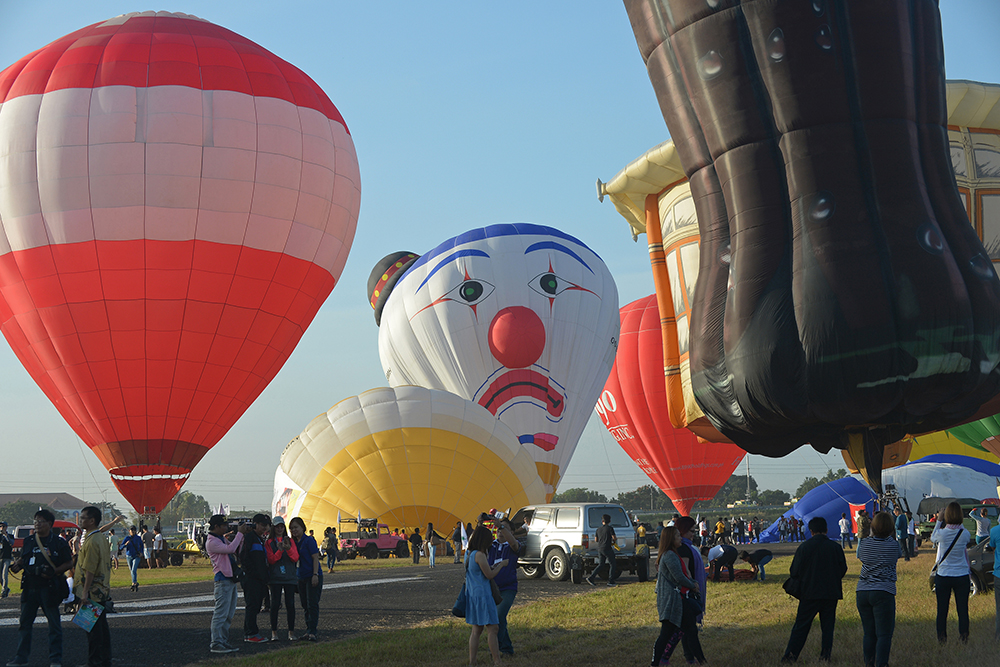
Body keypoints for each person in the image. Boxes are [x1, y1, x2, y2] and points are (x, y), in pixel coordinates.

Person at [6, 509, 73, 667]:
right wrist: (18, 565)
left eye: (40, 521)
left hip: (49, 588)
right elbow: (25, 558)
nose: (36, 523)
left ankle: (55, 659)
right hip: (29, 588)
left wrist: (54, 571)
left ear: (49, 524)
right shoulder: (29, 540)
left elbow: (69, 563)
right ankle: (21, 657)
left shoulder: (58, 542)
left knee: (54, 625)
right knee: (24, 624)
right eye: (35, 520)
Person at [780, 516, 848, 663]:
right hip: (831, 593)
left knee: (801, 627)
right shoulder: (835, 547)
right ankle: (825, 656)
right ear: (826, 530)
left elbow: (794, 572)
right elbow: (843, 569)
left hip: (809, 593)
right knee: (828, 628)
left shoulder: (804, 547)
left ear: (811, 531)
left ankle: (790, 656)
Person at [855, 511, 900, 667]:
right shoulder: (893, 545)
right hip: (883, 590)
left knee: (869, 633)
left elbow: (861, 556)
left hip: (862, 590)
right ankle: (881, 664)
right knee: (884, 634)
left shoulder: (865, 543)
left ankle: (869, 663)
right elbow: (897, 556)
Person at [651, 526, 700, 667]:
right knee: (666, 633)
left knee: (678, 629)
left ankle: (665, 660)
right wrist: (693, 585)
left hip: (674, 599)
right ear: (671, 539)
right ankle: (657, 662)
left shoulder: (671, 554)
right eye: (678, 536)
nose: (681, 538)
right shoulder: (670, 555)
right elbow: (679, 577)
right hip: (671, 600)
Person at [464, 524, 508, 667]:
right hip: (483, 595)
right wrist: (501, 565)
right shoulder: (480, 555)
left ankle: (473, 661)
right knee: (493, 629)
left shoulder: (469, 554)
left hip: (473, 595)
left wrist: (491, 567)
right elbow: (489, 575)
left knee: (476, 630)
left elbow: (480, 572)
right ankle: (497, 661)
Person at [75, 505, 113, 667]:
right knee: (102, 629)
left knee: (92, 630)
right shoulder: (101, 538)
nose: (81, 520)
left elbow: (90, 569)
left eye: (83, 518)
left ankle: (94, 661)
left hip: (92, 591)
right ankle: (104, 659)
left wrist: (84, 594)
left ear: (92, 521)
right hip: (102, 589)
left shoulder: (91, 541)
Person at [930, 501, 971, 643]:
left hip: (944, 574)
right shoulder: (965, 533)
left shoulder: (942, 534)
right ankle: (963, 637)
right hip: (962, 574)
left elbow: (932, 537)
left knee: (942, 610)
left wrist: (939, 520)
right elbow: (962, 533)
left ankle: (942, 638)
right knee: (963, 609)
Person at [206, 514, 247, 653]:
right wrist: (240, 533)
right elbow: (230, 549)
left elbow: (234, 549)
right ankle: (216, 642)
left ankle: (222, 641)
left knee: (228, 613)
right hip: (222, 580)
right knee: (221, 613)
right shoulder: (212, 542)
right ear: (216, 526)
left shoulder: (220, 539)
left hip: (229, 579)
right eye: (224, 525)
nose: (226, 527)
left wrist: (240, 538)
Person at [488, 517, 523, 658]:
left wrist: (501, 526)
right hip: (491, 587)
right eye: (498, 528)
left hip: (508, 588)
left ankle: (497, 648)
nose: (500, 531)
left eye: (504, 529)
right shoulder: (491, 545)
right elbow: (474, 544)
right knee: (498, 619)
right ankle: (506, 648)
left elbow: (514, 545)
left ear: (512, 532)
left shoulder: (514, 545)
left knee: (498, 615)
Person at [675, 517, 707, 665]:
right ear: (682, 531)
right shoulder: (683, 548)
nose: (693, 534)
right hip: (686, 593)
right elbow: (685, 572)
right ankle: (700, 660)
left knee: (685, 629)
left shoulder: (687, 547)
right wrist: (693, 585)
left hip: (687, 591)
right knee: (689, 630)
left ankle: (690, 658)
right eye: (691, 531)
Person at [265, 516, 299, 642]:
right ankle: (274, 632)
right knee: (275, 605)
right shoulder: (269, 543)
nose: (279, 529)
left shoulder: (290, 541)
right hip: (275, 578)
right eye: (277, 526)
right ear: (273, 528)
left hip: (289, 577)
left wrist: (288, 548)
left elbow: (295, 558)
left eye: (281, 526)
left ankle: (291, 632)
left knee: (290, 605)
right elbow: (271, 560)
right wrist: (279, 551)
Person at [240, 514, 271, 643]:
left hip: (258, 579)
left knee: (255, 606)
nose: (264, 528)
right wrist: (253, 574)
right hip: (252, 579)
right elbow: (244, 558)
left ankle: (250, 632)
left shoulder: (259, 538)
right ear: (256, 524)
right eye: (262, 525)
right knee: (252, 606)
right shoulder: (250, 538)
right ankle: (251, 633)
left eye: (266, 526)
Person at [290, 516, 321, 641]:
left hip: (311, 575)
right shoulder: (293, 543)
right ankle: (308, 630)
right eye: (292, 528)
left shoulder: (309, 541)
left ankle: (312, 631)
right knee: (304, 604)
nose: (294, 530)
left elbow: (315, 558)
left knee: (312, 604)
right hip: (301, 576)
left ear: (302, 527)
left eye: (296, 527)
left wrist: (315, 574)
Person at [586, 514, 619, 586]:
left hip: (600, 548)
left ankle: (591, 577)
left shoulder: (598, 529)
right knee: (612, 564)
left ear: (602, 521)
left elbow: (596, 540)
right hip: (607, 548)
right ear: (609, 521)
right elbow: (614, 538)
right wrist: (613, 541)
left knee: (601, 564)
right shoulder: (610, 528)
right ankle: (611, 581)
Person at [119, 525, 143, 591]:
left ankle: (134, 583)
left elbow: (142, 546)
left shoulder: (138, 538)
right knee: (131, 570)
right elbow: (121, 547)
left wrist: (141, 552)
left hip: (136, 556)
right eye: (131, 530)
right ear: (129, 531)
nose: (132, 531)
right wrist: (125, 544)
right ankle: (135, 582)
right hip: (129, 556)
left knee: (134, 569)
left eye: (134, 530)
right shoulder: (127, 538)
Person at [988, 514, 1000, 641]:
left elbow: (992, 546)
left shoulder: (994, 531)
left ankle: (998, 636)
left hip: (998, 574)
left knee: (999, 609)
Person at [0, 521, 12, 599]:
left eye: (3, 526)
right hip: (0, 557)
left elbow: (11, 543)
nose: (1, 528)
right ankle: (6, 589)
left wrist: (5, 535)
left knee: (4, 575)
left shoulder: (10, 536)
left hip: (7, 558)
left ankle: (4, 591)